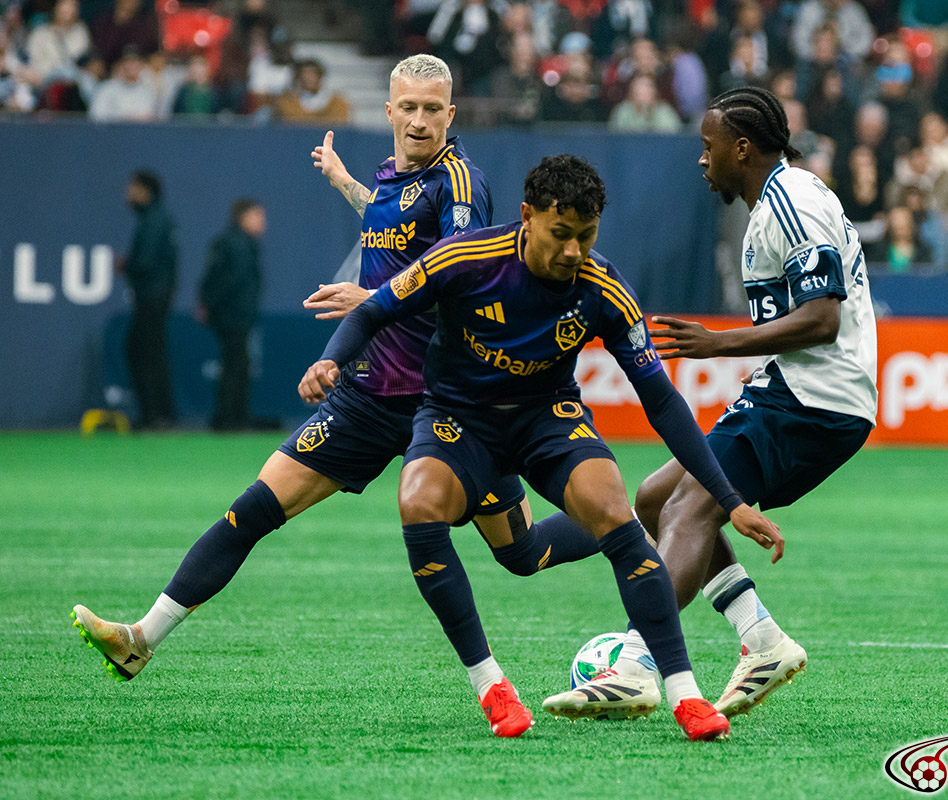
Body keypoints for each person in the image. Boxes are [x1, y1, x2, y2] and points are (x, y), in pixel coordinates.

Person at [71, 54, 594, 690]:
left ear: (451, 115)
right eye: (409, 107)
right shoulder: (394, 181)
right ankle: (140, 638)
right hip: (369, 398)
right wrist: (346, 183)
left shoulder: (461, 184)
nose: (421, 121)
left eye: (434, 109)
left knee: (522, 553)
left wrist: (374, 301)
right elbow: (392, 221)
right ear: (390, 111)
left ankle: (629, 519)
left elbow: (464, 275)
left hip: (449, 403)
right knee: (253, 509)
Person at [298, 154, 781, 740]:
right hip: (459, 419)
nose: (574, 250)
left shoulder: (603, 288)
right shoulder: (463, 259)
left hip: (546, 418)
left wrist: (728, 500)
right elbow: (374, 311)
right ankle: (491, 686)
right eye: (561, 234)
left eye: (587, 235)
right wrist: (330, 358)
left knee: (611, 509)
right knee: (419, 504)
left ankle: (684, 694)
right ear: (527, 216)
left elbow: (661, 402)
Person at [560, 86, 877, 720]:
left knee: (691, 505)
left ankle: (634, 662)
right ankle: (761, 640)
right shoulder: (773, 205)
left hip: (815, 399)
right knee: (653, 499)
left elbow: (821, 320)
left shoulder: (792, 203)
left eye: (708, 148)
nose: (702, 161)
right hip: (793, 389)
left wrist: (718, 343)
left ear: (741, 148)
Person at [198, 198, 267, 430]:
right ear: (243, 217)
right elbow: (225, 281)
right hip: (233, 317)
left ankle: (235, 417)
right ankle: (229, 419)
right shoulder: (234, 244)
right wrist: (210, 305)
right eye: (258, 216)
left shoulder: (245, 244)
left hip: (239, 316)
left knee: (237, 365)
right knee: (234, 366)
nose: (263, 222)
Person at [120, 170, 178, 430]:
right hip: (156, 297)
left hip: (151, 299)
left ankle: (154, 415)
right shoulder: (157, 219)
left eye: (133, 187)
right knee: (150, 353)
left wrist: (125, 265)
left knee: (145, 353)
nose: (128, 193)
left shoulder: (153, 221)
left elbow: (145, 262)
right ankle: (159, 414)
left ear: (146, 191)